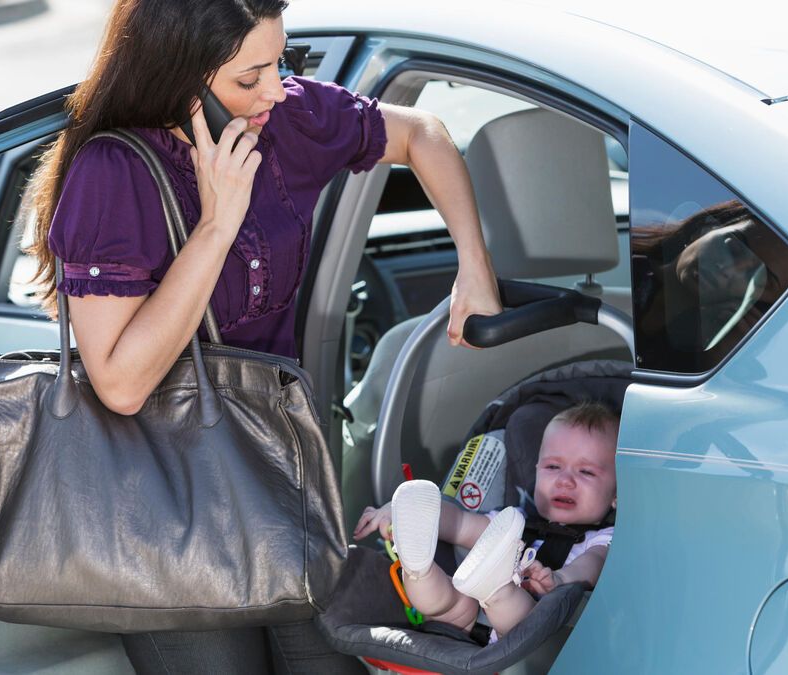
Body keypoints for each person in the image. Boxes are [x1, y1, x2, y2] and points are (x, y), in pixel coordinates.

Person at [26, 0, 502, 671]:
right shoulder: (112, 173)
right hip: (164, 510)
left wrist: (473, 268)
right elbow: (121, 382)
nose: (274, 90)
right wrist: (217, 227)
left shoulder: (287, 119)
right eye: (249, 78)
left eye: (279, 62)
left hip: (278, 480)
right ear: (178, 77)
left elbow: (422, 131)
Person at [352, 401, 618, 642]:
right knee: (445, 601)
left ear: (618, 493)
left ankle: (494, 589)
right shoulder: (515, 521)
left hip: (535, 637)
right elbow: (460, 524)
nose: (564, 480)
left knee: (520, 610)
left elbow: (591, 566)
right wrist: (406, 514)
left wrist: (558, 580)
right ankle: (418, 568)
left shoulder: (605, 538)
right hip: (467, 621)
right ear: (536, 471)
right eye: (552, 467)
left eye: (586, 472)